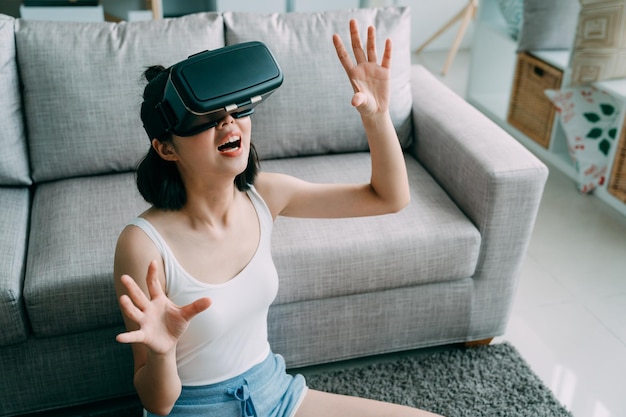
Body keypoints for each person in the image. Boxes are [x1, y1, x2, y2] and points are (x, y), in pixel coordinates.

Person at [114, 19, 443, 417]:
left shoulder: (266, 195)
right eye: (206, 118)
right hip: (193, 409)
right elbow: (158, 403)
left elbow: (388, 198)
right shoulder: (142, 244)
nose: (228, 122)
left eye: (236, 110)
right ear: (166, 149)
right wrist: (163, 352)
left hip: (275, 392)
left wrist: (377, 115)